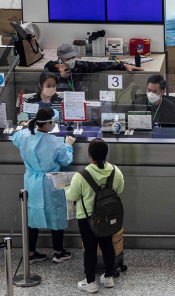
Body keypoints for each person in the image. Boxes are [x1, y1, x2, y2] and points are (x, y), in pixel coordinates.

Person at [12, 108, 76, 263]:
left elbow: (15, 138)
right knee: (56, 213)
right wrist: (68, 145)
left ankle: (31, 253)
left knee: (32, 214)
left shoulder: (24, 135)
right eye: (52, 122)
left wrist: (27, 125)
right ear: (48, 123)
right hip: (51, 182)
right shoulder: (55, 141)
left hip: (31, 181)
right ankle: (59, 252)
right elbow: (66, 160)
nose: (53, 125)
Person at [65, 138, 124, 293]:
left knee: (90, 249)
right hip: (107, 216)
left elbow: (71, 196)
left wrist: (65, 189)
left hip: (87, 219)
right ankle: (108, 277)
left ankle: (90, 282)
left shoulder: (81, 175)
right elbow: (120, 189)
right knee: (107, 245)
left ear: (89, 154)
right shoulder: (115, 171)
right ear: (106, 154)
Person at [44, 44, 144, 92]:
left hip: (77, 101)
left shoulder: (78, 66)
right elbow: (49, 91)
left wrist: (123, 65)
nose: (71, 60)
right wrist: (62, 76)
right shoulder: (49, 69)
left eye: (72, 57)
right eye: (68, 58)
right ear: (59, 59)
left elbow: (99, 65)